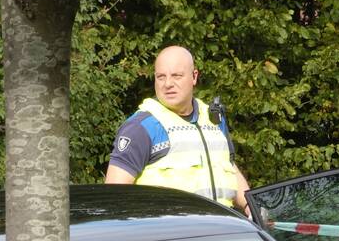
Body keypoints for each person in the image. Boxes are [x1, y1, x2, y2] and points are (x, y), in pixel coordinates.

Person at [105, 45, 251, 214]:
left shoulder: (214, 118)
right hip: (168, 236)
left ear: (194, 76)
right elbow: (114, 198)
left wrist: (251, 208)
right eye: (161, 77)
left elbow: (229, 167)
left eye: (176, 76)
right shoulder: (141, 127)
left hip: (221, 231)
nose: (168, 84)